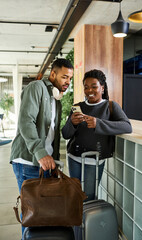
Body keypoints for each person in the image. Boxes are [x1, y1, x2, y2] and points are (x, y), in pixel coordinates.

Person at [10, 58, 73, 239]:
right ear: (52, 74)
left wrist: (52, 159)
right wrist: (40, 153)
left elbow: (51, 134)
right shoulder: (36, 88)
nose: (67, 82)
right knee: (33, 213)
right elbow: (26, 122)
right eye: (64, 77)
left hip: (44, 162)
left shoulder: (56, 100)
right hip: (28, 160)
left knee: (42, 211)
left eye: (70, 78)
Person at [62, 69, 132, 201]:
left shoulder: (110, 106)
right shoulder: (77, 107)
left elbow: (127, 126)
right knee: (75, 196)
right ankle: (76, 222)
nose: (89, 91)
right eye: (86, 87)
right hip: (74, 158)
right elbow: (66, 134)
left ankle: (87, 222)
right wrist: (72, 123)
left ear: (102, 88)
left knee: (89, 197)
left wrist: (98, 123)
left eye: (94, 87)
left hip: (95, 160)